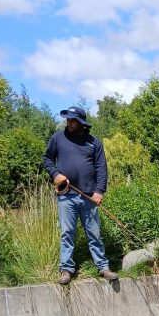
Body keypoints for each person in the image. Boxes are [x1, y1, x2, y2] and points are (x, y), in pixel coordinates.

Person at [43, 106, 118, 285]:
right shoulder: (57, 138)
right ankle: (66, 269)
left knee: (94, 233)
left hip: (89, 196)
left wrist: (99, 191)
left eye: (73, 120)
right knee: (67, 232)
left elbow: (101, 169)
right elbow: (47, 159)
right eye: (68, 119)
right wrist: (56, 174)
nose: (69, 122)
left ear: (81, 123)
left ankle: (103, 267)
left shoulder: (94, 143)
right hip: (66, 195)